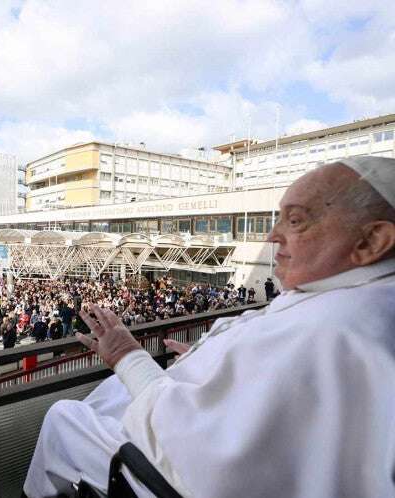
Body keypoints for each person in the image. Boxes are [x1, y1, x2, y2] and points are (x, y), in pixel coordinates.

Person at [23, 157, 395, 498]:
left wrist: (126, 354)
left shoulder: (333, 326)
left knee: (64, 417)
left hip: (171, 475)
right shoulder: (355, 299)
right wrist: (217, 363)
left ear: (371, 240)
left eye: (295, 220)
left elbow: (206, 452)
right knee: (113, 394)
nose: (272, 235)